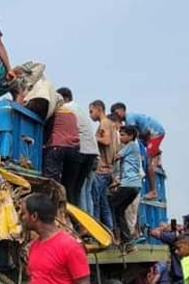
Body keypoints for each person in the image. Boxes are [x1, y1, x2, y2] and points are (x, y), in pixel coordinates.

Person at [110, 103, 165, 200]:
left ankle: (153, 191)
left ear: (122, 110)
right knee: (144, 148)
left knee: (148, 163)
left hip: (155, 133)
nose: (116, 116)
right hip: (148, 134)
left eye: (116, 113)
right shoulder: (131, 119)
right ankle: (157, 154)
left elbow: (131, 135)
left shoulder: (130, 118)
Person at [58, 87, 99, 214]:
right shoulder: (79, 108)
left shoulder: (66, 108)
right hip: (92, 152)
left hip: (80, 150)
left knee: (69, 187)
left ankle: (74, 220)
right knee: (78, 189)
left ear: (65, 98)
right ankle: (85, 224)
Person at [43, 104, 82, 205]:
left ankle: (51, 211)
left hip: (57, 146)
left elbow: (46, 130)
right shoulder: (72, 114)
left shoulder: (54, 113)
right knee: (70, 187)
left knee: (51, 183)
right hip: (75, 149)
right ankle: (72, 216)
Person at [109, 126, 142, 241]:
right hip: (134, 185)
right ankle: (126, 237)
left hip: (129, 184)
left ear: (131, 136)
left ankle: (113, 233)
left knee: (110, 205)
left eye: (122, 135)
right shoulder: (134, 148)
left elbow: (115, 157)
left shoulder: (131, 146)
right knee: (119, 210)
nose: (120, 137)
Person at [89, 100, 118, 230]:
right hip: (108, 170)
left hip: (101, 169)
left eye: (91, 111)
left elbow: (106, 141)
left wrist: (91, 138)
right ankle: (109, 231)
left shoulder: (104, 123)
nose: (90, 115)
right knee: (103, 203)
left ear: (98, 109)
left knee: (95, 202)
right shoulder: (111, 124)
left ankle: (96, 232)